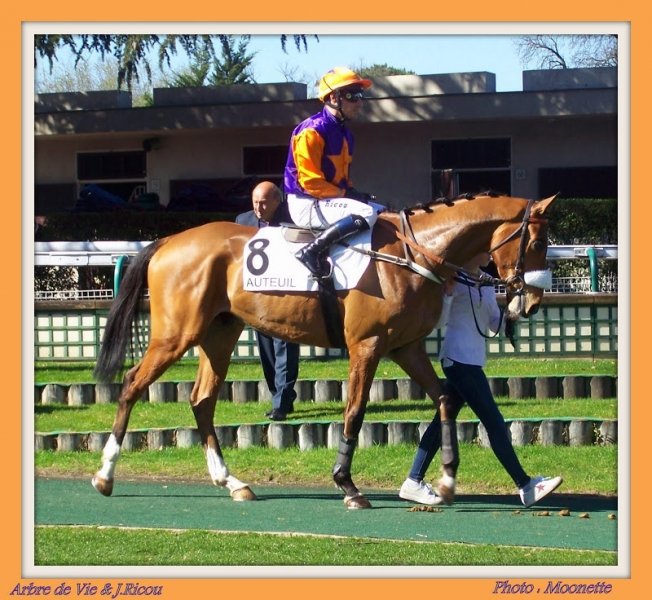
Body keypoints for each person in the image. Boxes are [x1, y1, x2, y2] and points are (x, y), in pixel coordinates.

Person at [399, 252, 563, 507]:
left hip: (473, 360)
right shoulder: (452, 279)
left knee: (442, 420)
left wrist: (514, 309)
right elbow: (439, 322)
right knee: (494, 421)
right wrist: (448, 294)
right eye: (483, 248)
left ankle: (413, 480)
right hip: (457, 360)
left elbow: (494, 325)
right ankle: (525, 485)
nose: (489, 253)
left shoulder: (486, 283)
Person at [284, 66, 385, 279]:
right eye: (352, 95)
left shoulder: (346, 134)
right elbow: (310, 183)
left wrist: (353, 192)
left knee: (385, 212)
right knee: (367, 213)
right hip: (306, 202)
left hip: (329, 201)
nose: (359, 102)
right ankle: (311, 252)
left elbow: (342, 178)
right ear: (333, 97)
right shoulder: (311, 131)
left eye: (360, 95)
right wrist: (346, 195)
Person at [236, 181, 299, 421]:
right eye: (255, 203)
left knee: (284, 347)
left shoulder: (293, 219)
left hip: (285, 295)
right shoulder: (243, 221)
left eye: (263, 203)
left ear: (277, 201)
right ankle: (279, 396)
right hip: (257, 298)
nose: (258, 208)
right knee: (266, 351)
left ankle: (281, 403)